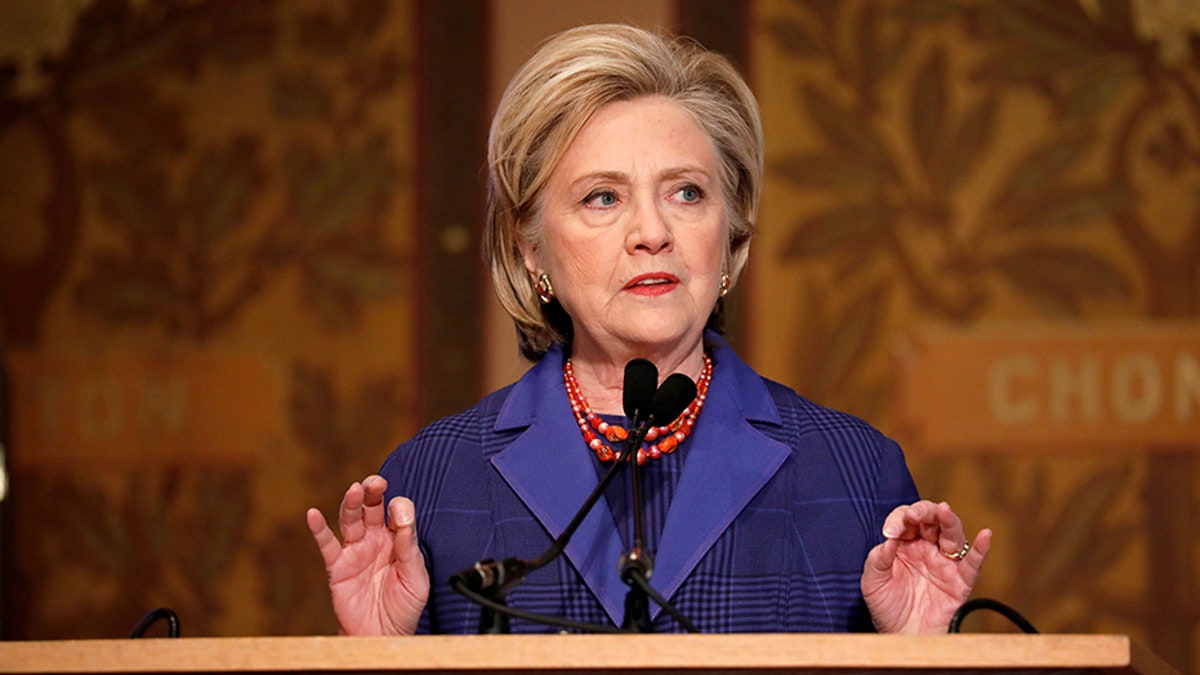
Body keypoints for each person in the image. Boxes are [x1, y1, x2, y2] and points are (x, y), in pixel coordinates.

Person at [306, 23, 991, 636]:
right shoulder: (432, 482)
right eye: (603, 196)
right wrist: (379, 656)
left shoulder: (854, 472)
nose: (654, 233)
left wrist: (921, 651)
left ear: (730, 237)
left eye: (686, 192)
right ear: (531, 249)